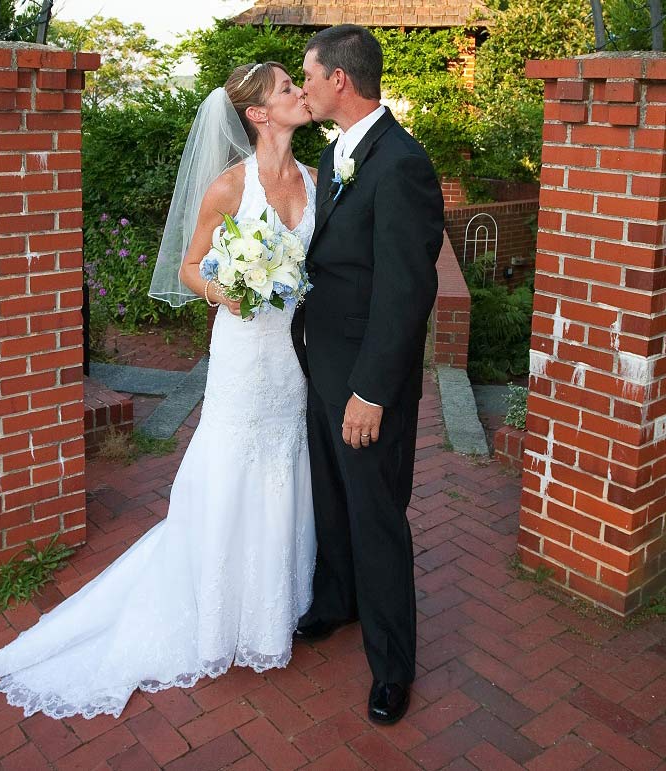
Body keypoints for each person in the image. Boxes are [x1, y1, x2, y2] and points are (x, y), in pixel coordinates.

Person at [0, 62, 319, 720]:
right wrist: (227, 291)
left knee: (283, 463)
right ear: (257, 114)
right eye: (286, 88)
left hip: (292, 358)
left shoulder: (315, 181)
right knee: (233, 465)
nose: (300, 93)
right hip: (244, 354)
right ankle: (215, 611)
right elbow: (189, 266)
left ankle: (272, 606)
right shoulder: (230, 187)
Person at [292, 25, 445, 725]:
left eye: (308, 76)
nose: (303, 88)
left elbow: (406, 292)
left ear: (340, 80)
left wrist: (371, 391)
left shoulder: (403, 164)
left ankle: (392, 667)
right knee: (331, 497)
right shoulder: (335, 154)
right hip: (321, 364)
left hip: (364, 380)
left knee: (376, 517)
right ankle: (337, 601)